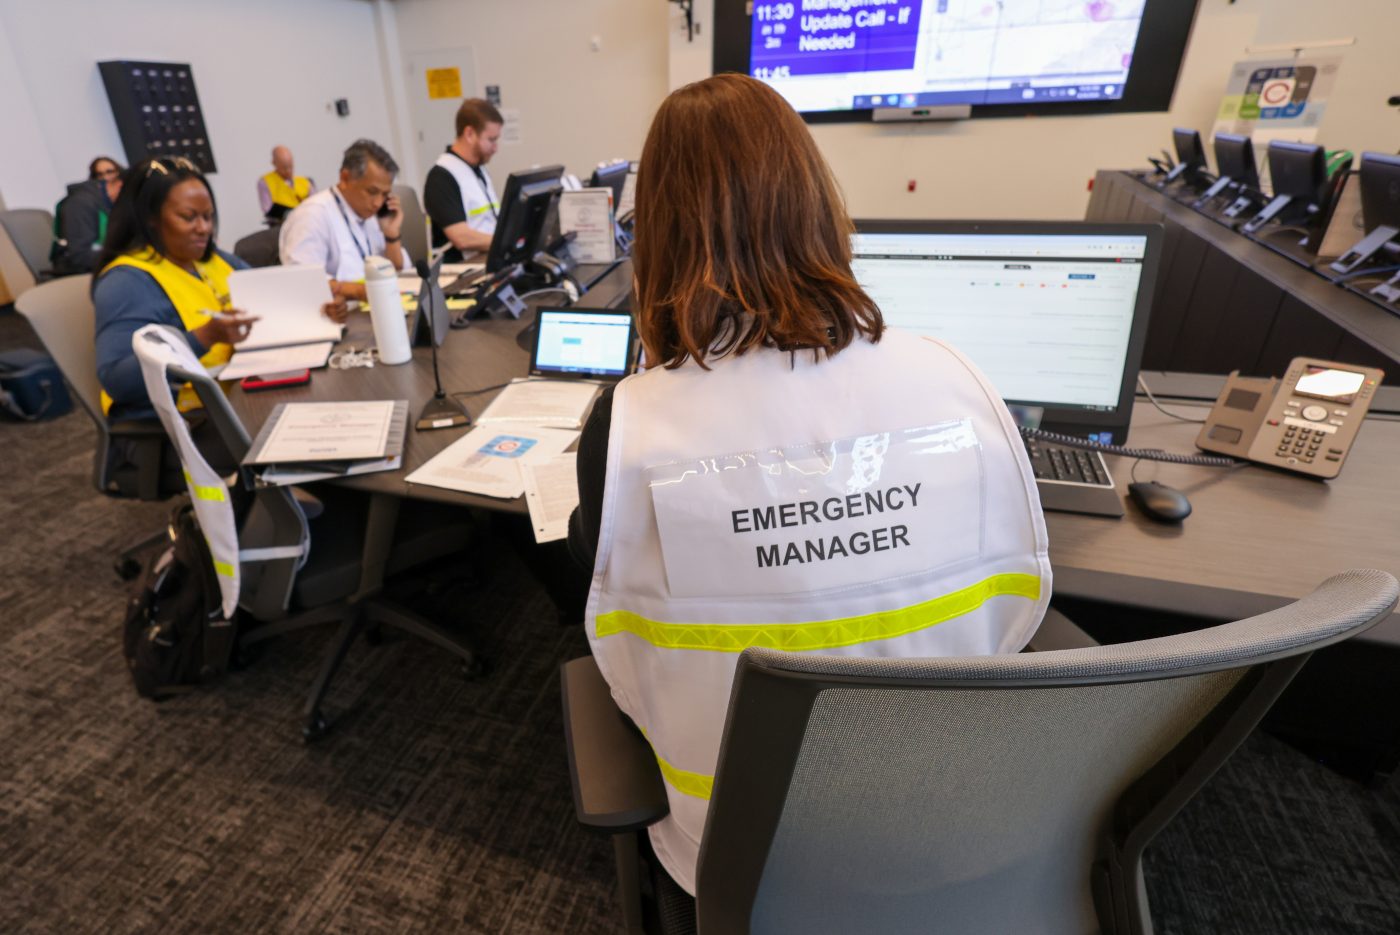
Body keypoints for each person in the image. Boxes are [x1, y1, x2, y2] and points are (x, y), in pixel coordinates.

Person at [570, 74, 1051, 897]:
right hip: (950, 827)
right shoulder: (955, 380)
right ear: (816, 203)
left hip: (728, 853)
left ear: (658, 235)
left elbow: (602, 598)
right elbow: (1017, 599)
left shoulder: (630, 425)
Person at [94, 156, 345, 485]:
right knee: (317, 444)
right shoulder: (127, 282)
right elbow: (118, 379)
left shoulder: (210, 261)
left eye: (208, 217)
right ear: (151, 219)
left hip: (234, 401)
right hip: (178, 426)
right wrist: (205, 337)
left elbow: (272, 299)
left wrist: (318, 308)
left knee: (331, 419)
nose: (204, 228)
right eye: (189, 217)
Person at [279, 139, 410, 301]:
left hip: (370, 305)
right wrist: (359, 291)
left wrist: (391, 234)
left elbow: (396, 269)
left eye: (384, 194)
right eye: (372, 191)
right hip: (337, 315)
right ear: (345, 178)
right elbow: (301, 280)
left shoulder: (370, 213)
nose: (378, 203)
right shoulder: (313, 215)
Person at [423, 98, 503, 262]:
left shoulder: (478, 170)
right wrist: (505, 243)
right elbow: (462, 238)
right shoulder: (441, 177)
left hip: (488, 259)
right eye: (491, 140)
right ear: (469, 134)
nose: (496, 148)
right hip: (462, 269)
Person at [50, 156, 124, 275]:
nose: (105, 177)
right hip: (79, 272)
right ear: (120, 185)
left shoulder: (108, 204)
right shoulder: (80, 205)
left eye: (110, 172)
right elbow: (81, 257)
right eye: (99, 174)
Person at [257, 145, 315, 223]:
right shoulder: (265, 182)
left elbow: (315, 205)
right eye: (284, 168)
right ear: (274, 163)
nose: (288, 171)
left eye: (290, 167)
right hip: (280, 225)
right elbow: (267, 210)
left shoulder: (305, 182)